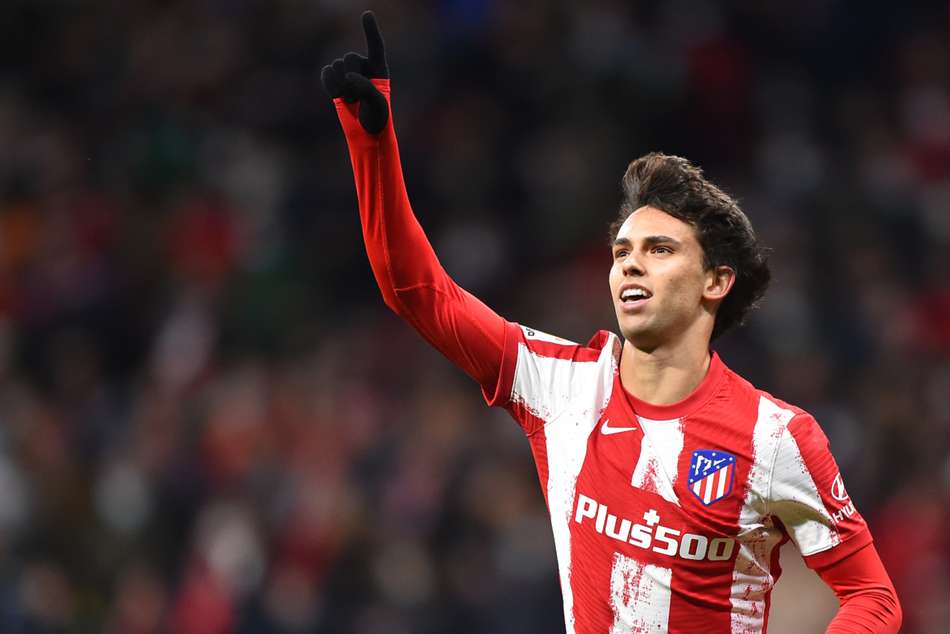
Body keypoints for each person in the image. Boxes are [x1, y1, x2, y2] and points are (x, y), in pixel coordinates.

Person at [321, 12, 902, 634]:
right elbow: (417, 292)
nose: (631, 264)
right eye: (622, 251)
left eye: (660, 249)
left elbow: (873, 597)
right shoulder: (559, 386)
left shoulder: (777, 438)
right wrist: (371, 144)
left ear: (715, 282)